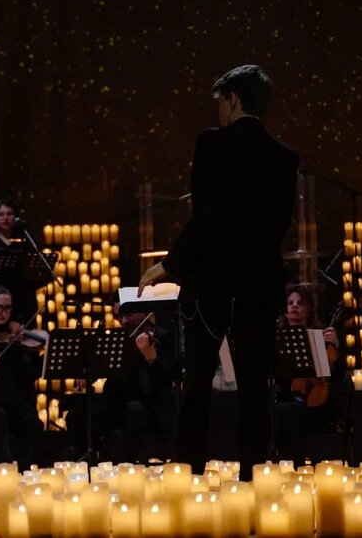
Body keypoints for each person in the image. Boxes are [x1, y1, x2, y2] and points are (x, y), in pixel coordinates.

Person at [138, 65, 299, 478]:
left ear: (233, 99)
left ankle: (189, 472)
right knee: (255, 384)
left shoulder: (212, 144)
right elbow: (279, 224)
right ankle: (253, 475)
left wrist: (168, 264)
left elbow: (207, 218)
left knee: (197, 383)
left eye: (220, 102)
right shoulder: (285, 157)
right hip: (259, 283)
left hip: (212, 282)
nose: (218, 111)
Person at [273, 286, 346, 465]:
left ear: (308, 310)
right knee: (280, 410)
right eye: (290, 303)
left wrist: (336, 345)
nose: (294, 306)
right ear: (286, 311)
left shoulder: (319, 337)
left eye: (300, 303)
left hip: (317, 404)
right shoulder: (278, 339)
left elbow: (339, 375)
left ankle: (293, 464)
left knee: (287, 412)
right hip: (287, 397)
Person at [103, 303, 176, 463]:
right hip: (121, 401)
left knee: (133, 411)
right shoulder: (121, 340)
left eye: (128, 315)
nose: (123, 321)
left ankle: (130, 465)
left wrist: (151, 358)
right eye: (119, 317)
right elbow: (112, 385)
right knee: (82, 412)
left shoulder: (163, 337)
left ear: (144, 312)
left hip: (155, 405)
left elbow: (166, 380)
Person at [0, 286, 42, 466]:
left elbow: (26, 375)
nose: (4, 313)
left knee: (31, 422)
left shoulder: (15, 339)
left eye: (8, 308)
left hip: (14, 403)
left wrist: (23, 352)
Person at [0, 199, 39, 323]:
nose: (5, 218)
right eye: (1, 214)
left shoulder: (24, 241)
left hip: (22, 298)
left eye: (9, 214)